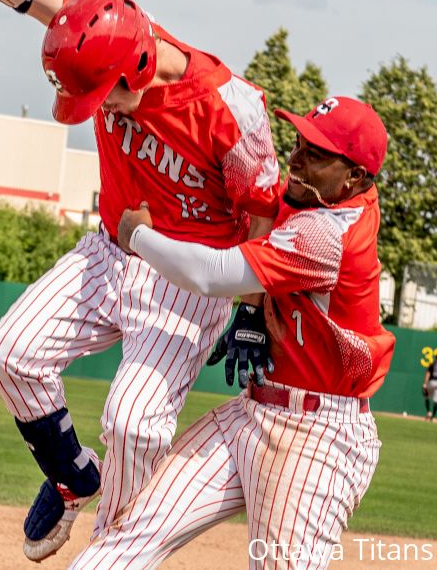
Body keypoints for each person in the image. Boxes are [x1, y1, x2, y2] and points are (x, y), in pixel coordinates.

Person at [0, 0, 282, 561]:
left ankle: (115, 548)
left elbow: (262, 213)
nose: (96, 113)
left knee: (136, 421)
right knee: (11, 352)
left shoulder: (229, 108)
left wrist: (252, 312)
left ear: (139, 69)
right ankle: (72, 477)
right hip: (111, 249)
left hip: (188, 274)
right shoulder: (102, 32)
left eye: (102, 98)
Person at [69, 96, 394, 569]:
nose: (298, 160)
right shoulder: (317, 196)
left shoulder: (327, 234)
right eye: (301, 143)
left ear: (356, 178)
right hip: (253, 410)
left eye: (318, 154)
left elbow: (213, 272)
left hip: (318, 438)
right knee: (130, 535)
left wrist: (137, 235)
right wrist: (251, 308)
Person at [424, 355, 437, 421]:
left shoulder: (433, 364)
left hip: (431, 382)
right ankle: (433, 416)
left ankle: (429, 412)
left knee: (427, 396)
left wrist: (425, 384)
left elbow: (428, 374)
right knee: (436, 401)